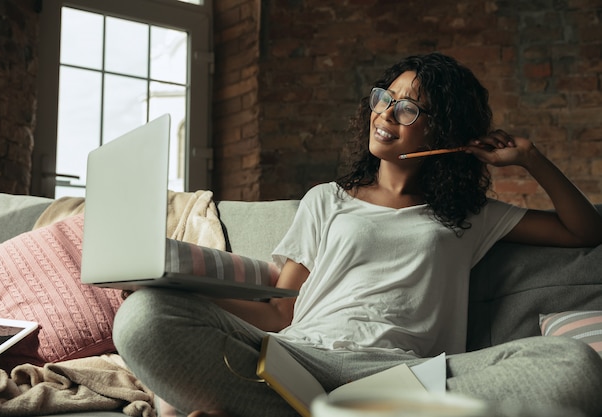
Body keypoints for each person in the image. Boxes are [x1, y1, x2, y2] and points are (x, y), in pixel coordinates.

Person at [112, 52, 602, 417]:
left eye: (409, 109)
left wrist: (530, 158)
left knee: (570, 364)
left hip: (406, 378)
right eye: (384, 98)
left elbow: (583, 231)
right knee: (142, 318)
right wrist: (172, 288)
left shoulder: (470, 215)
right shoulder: (326, 199)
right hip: (299, 360)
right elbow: (281, 311)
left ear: (444, 132)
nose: (385, 114)